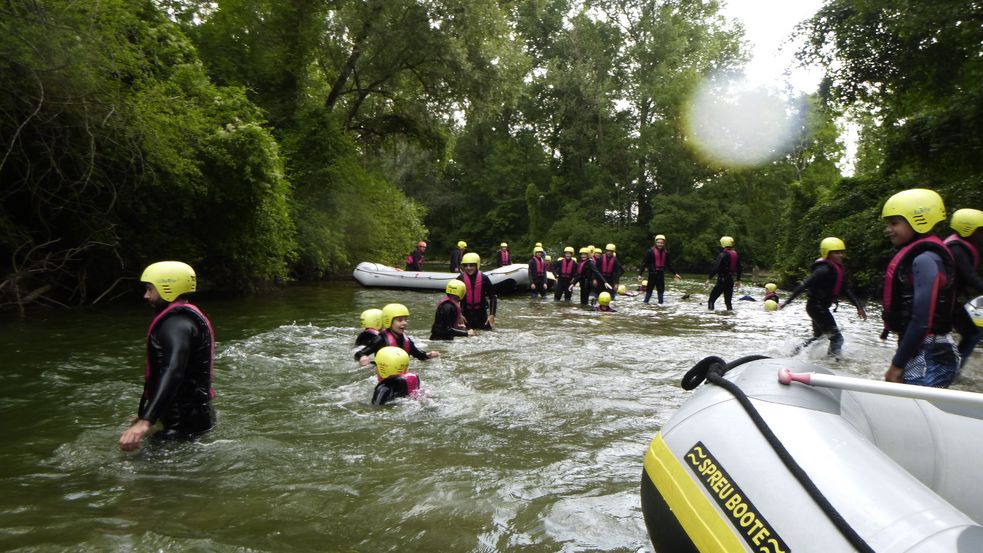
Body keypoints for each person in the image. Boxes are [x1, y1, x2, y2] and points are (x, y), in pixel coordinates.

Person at [119, 261, 215, 451]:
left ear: (167, 288)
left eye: (149, 289)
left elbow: (173, 370)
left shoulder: (175, 325)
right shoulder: (183, 320)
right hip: (195, 417)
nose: (145, 295)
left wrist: (146, 421)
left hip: (181, 426)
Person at [881, 188, 959, 387]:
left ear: (919, 220)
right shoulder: (922, 257)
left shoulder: (926, 259)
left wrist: (896, 365)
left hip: (932, 356)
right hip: (926, 352)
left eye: (894, 223)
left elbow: (921, 320)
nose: (888, 230)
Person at [779, 237, 867, 357]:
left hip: (819, 307)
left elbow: (846, 290)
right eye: (837, 253)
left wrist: (859, 307)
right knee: (837, 338)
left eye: (842, 252)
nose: (841, 255)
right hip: (816, 307)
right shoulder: (823, 270)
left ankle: (794, 353)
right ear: (827, 254)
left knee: (819, 337)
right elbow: (804, 285)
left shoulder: (837, 269)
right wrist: (787, 302)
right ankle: (834, 363)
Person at [944, 208, 983, 366]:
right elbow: (970, 278)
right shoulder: (957, 249)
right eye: (980, 231)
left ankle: (953, 365)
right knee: (973, 334)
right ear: (968, 230)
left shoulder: (958, 245)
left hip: (948, 301)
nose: (982, 235)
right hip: (945, 302)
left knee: (972, 332)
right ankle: (954, 368)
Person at [355, 303, 439, 366]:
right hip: (383, 372)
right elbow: (359, 354)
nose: (404, 323)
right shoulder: (380, 339)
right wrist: (362, 357)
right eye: (400, 320)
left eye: (406, 320)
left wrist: (429, 355)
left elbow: (419, 355)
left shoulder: (407, 341)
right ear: (388, 321)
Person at [458, 253, 498, 329]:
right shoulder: (460, 279)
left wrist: (492, 314)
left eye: (471, 265)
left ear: (477, 265)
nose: (468, 268)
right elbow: (453, 299)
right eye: (466, 265)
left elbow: (493, 297)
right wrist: (458, 315)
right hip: (465, 315)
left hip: (481, 315)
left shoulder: (484, 278)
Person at [640, 234, 681, 304]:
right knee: (649, 290)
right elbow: (644, 263)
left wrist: (675, 273)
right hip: (652, 273)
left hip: (660, 273)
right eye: (658, 242)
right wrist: (640, 274)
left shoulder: (666, 253)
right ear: (655, 242)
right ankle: (645, 303)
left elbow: (669, 264)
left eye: (661, 243)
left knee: (661, 290)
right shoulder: (650, 252)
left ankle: (660, 305)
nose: (660, 244)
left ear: (663, 243)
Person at [706, 236, 742, 311]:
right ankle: (728, 317)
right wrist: (738, 280)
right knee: (728, 302)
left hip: (722, 280)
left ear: (723, 244)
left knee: (711, 300)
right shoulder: (735, 254)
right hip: (730, 281)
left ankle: (710, 315)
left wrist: (709, 278)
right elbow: (739, 268)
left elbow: (716, 267)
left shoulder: (722, 254)